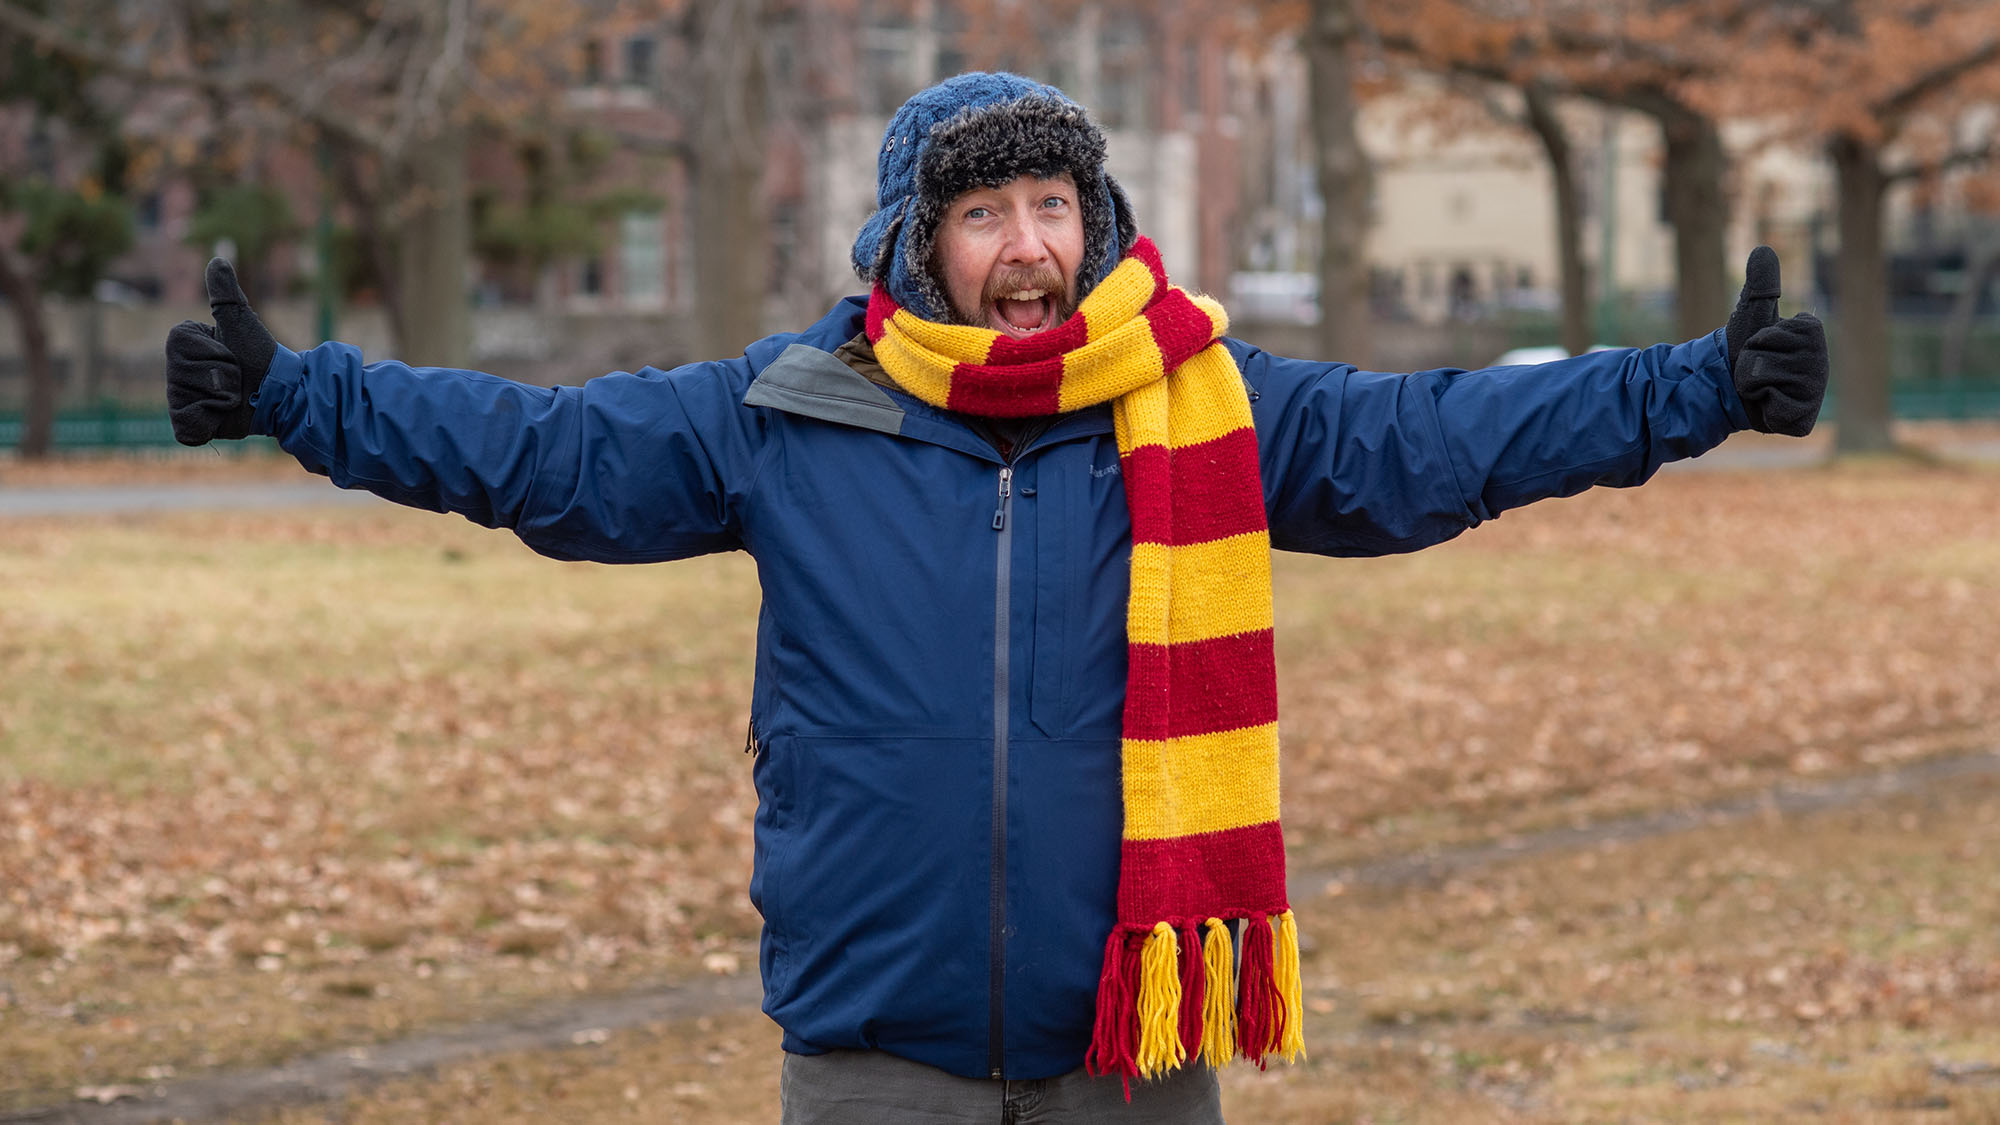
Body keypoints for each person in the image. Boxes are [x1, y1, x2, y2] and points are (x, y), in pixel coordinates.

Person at [164, 71, 1828, 1124]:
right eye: (984, 212)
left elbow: (1442, 435)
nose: (1026, 245)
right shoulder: (790, 410)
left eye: (1053, 207)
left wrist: (1694, 387)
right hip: (880, 1045)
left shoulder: (1207, 402)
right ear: (916, 241)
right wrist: (298, 393)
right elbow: (540, 452)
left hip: (1133, 1033)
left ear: (1095, 225)